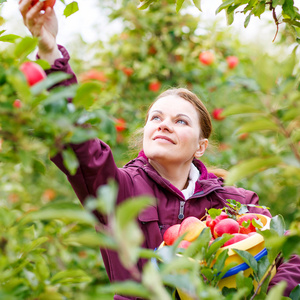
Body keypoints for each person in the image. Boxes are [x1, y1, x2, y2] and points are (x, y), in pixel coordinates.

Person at [19, 1, 300, 299]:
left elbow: (291, 254)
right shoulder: (119, 189)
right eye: (156, 118)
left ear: (201, 146)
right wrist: (50, 53)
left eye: (180, 121)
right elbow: (76, 142)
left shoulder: (235, 203)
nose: (164, 125)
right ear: (145, 134)